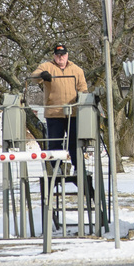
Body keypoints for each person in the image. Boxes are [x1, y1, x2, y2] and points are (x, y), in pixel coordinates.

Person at [34, 42, 88, 172]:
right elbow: (34, 77)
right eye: (58, 55)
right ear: (54, 55)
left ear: (67, 55)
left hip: (73, 114)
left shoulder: (77, 70)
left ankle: (78, 168)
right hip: (54, 113)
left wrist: (84, 101)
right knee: (54, 143)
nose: (60, 57)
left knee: (75, 143)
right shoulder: (46, 66)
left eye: (63, 55)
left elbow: (83, 90)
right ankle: (56, 167)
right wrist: (42, 75)